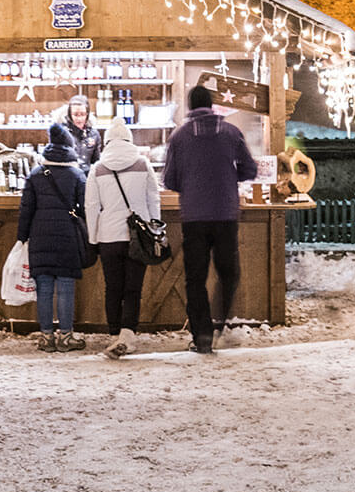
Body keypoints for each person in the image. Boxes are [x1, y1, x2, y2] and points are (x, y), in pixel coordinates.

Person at [160, 83, 256, 354]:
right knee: (228, 273)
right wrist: (227, 176)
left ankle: (202, 335)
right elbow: (250, 169)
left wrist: (192, 183)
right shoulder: (231, 132)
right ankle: (220, 323)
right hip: (226, 214)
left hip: (194, 217)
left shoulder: (179, 137)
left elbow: (169, 180)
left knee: (195, 278)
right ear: (211, 105)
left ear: (190, 106)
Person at [85, 116, 161, 358]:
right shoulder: (142, 163)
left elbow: (91, 207)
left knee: (113, 288)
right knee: (133, 288)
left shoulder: (97, 168)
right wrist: (154, 227)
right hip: (137, 237)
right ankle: (127, 335)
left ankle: (114, 334)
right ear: (129, 140)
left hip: (108, 236)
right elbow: (153, 198)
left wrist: (93, 239)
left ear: (107, 141)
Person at [17, 132, 91, 350]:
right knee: (66, 287)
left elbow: (26, 210)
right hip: (67, 235)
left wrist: (22, 238)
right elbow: (85, 207)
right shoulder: (77, 175)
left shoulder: (35, 174)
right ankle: (66, 337)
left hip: (40, 236)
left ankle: (46, 337)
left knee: (44, 288)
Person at [52, 95, 104, 174]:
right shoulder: (61, 134)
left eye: (82, 114)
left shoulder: (94, 134)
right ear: (69, 115)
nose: (79, 119)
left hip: (88, 177)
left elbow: (96, 161)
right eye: (75, 114)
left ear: (87, 114)